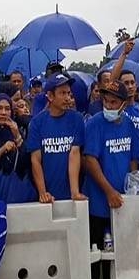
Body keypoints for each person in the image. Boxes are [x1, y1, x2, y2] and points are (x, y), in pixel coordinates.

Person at [83, 82, 139, 279]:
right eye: (106, 101)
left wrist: (131, 185)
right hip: (98, 203)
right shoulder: (95, 123)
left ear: (124, 104)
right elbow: (90, 160)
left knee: (117, 255)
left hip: (121, 204)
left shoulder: (128, 124)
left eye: (114, 102)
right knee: (95, 256)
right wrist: (108, 191)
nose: (108, 105)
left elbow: (134, 159)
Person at [26, 74, 85, 203]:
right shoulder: (37, 123)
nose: (67, 98)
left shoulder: (77, 119)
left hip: (69, 194)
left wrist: (74, 192)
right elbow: (35, 160)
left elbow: (74, 153)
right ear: (51, 96)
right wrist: (43, 192)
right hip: (48, 194)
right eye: (62, 93)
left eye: (69, 93)